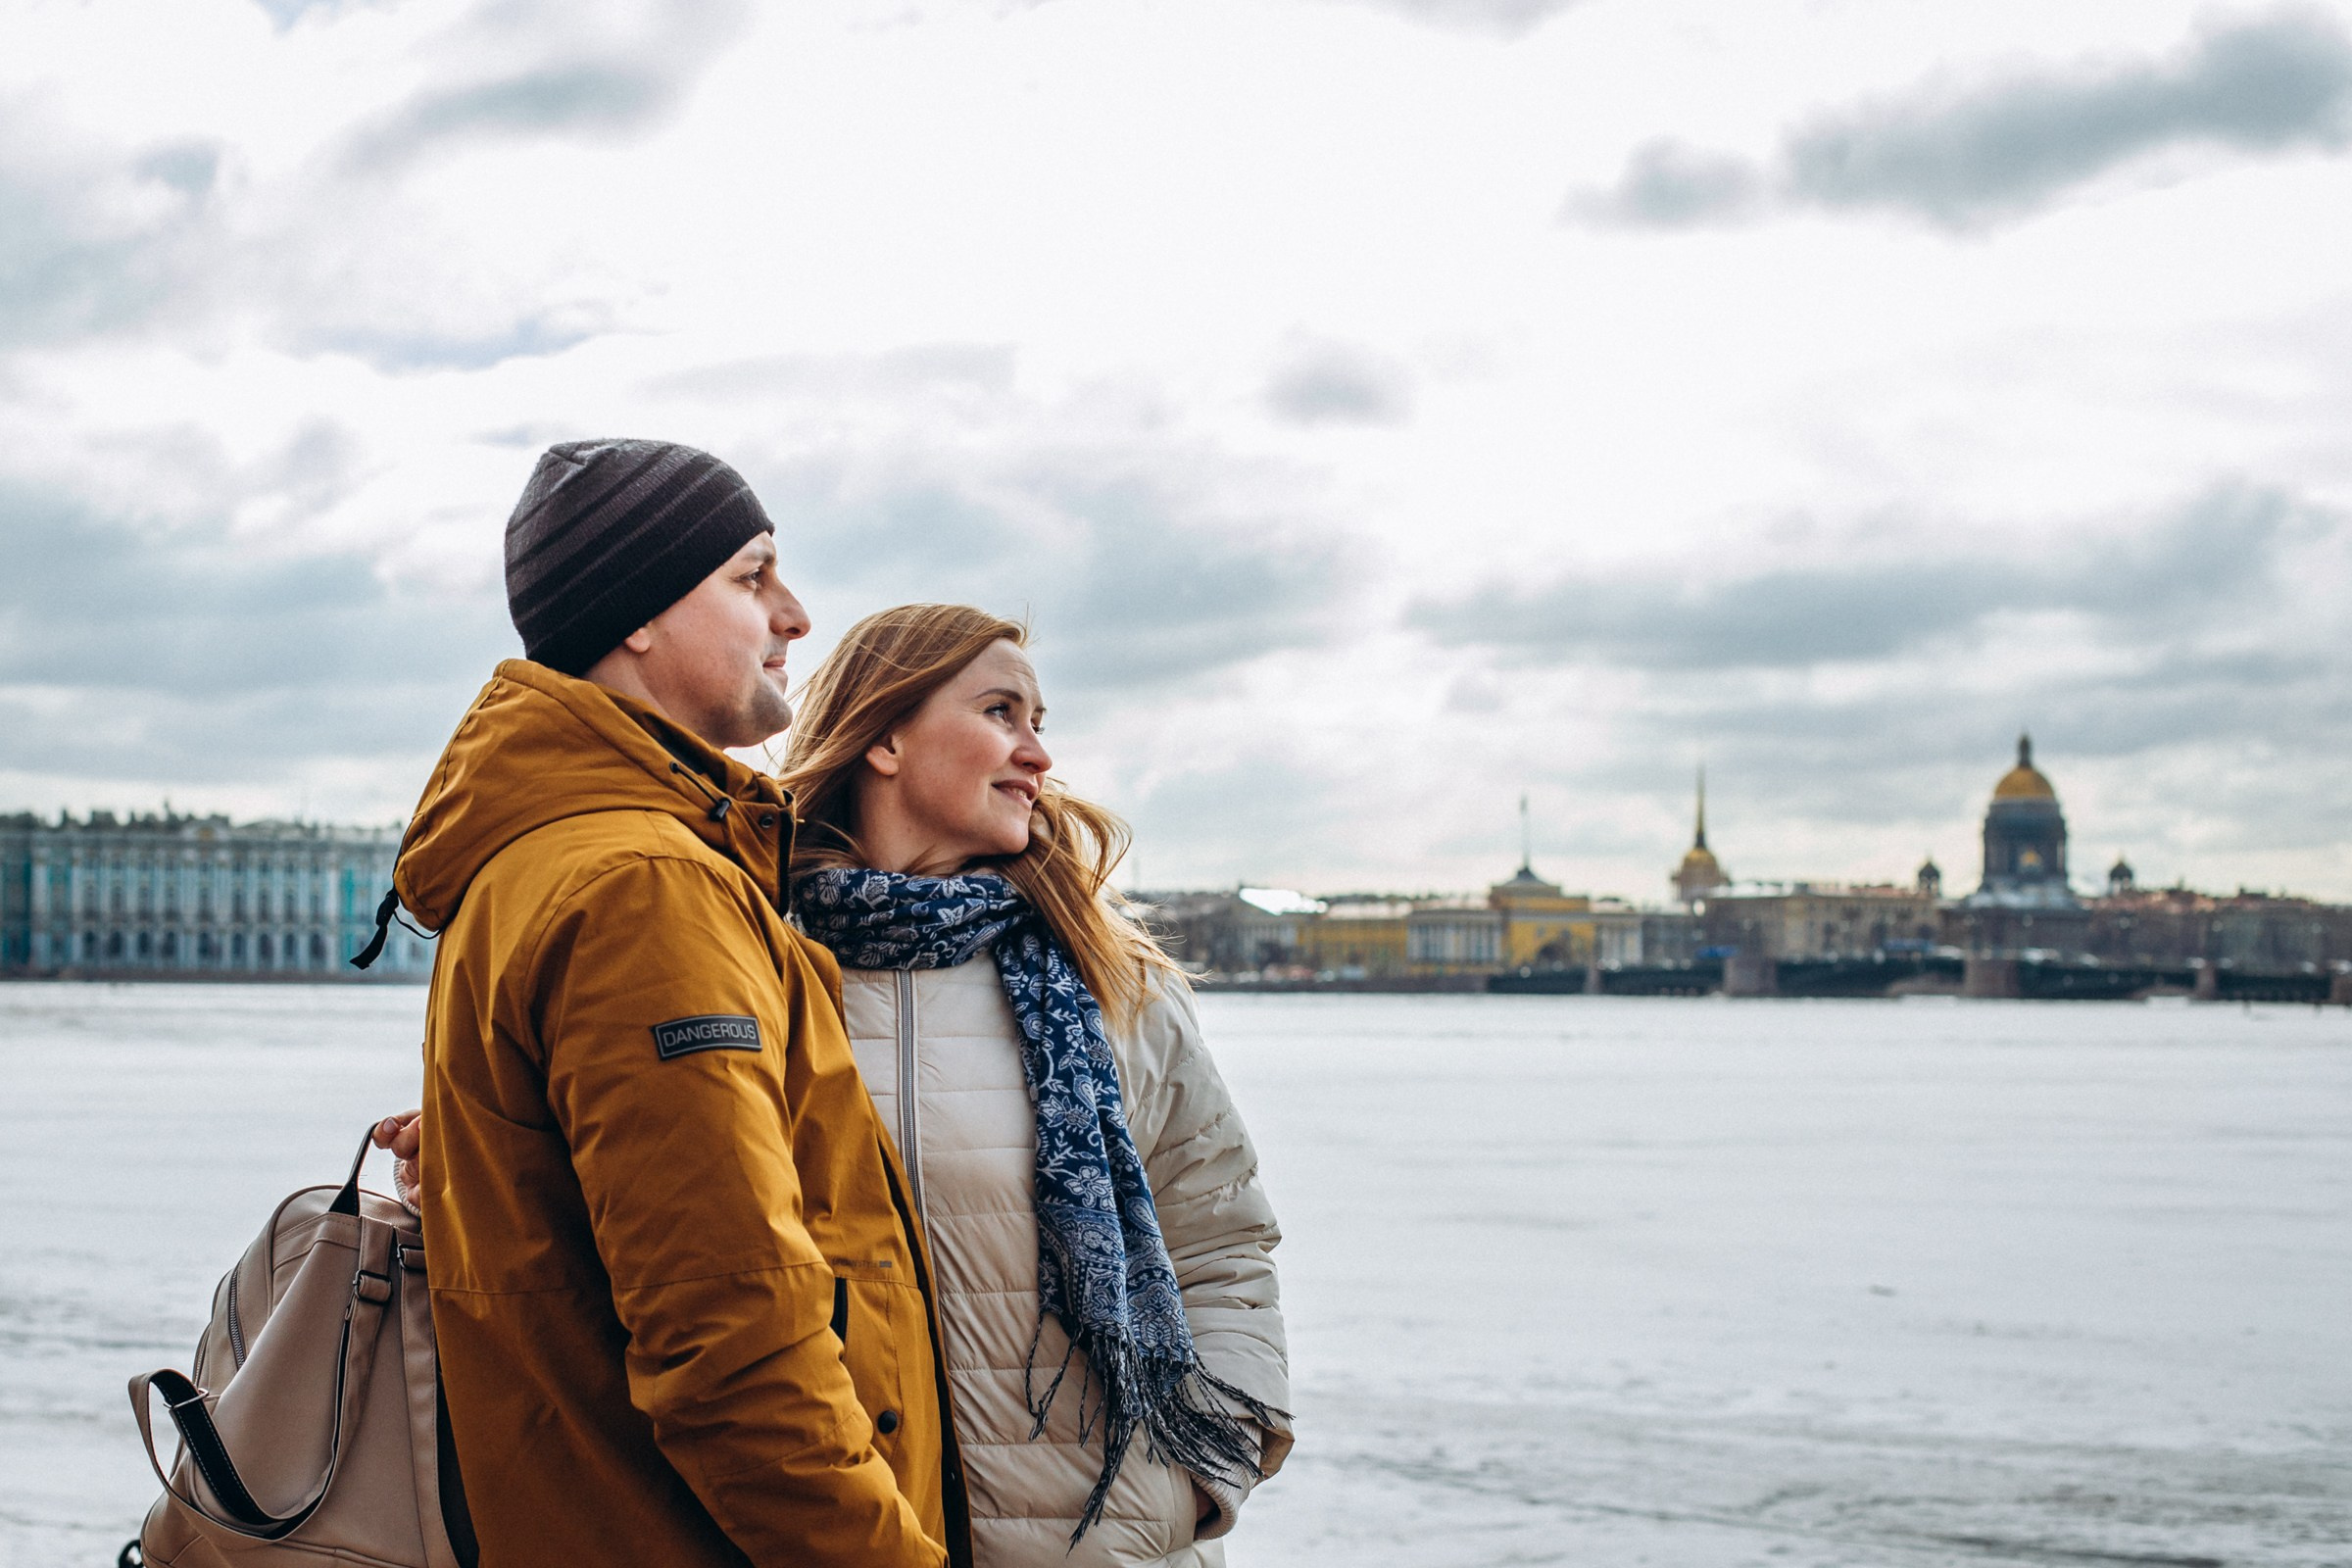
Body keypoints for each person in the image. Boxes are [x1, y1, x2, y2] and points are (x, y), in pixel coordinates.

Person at [362, 440, 968, 1568]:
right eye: (751, 577)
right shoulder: (647, 890)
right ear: (636, 616)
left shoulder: (542, 860)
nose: (793, 614)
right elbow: (736, 1347)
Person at [777, 604, 1291, 1568]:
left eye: (1040, 721)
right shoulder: (748, 966)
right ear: (883, 735)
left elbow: (1222, 1238)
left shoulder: (1112, 980)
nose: (1037, 755)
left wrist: (1200, 1478)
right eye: (1001, 712)